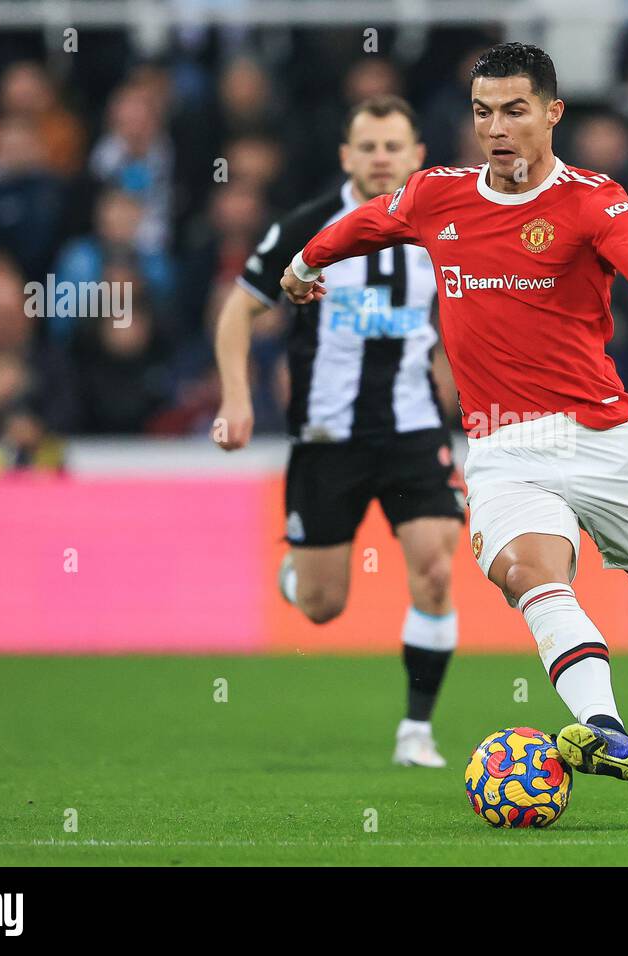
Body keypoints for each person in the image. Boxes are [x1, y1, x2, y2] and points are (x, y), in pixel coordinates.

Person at [279, 44, 628, 816]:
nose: (496, 127)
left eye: (515, 110)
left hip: (605, 437)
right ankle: (603, 725)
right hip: (502, 447)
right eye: (484, 111)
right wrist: (302, 262)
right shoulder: (437, 196)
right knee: (532, 577)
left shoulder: (593, 201)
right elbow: (366, 223)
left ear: (553, 114)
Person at [212, 96, 464, 769]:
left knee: (436, 572)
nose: (382, 158)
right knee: (324, 607)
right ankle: (301, 571)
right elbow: (238, 313)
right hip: (327, 439)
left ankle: (416, 732)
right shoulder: (305, 226)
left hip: (414, 431)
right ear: (347, 157)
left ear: (417, 156)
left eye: (394, 146)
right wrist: (236, 400)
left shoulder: (447, 227)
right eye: (369, 147)